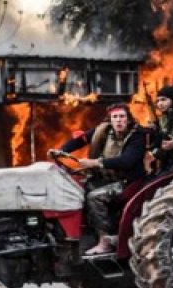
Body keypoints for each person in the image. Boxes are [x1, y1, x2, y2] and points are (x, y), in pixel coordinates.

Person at [49, 103, 147, 255]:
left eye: (122, 117)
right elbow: (81, 140)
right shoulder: (103, 130)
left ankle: (105, 241)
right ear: (110, 119)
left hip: (128, 182)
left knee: (95, 198)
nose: (119, 120)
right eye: (115, 117)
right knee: (78, 189)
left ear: (128, 119)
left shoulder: (137, 135)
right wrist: (61, 150)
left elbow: (127, 161)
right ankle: (79, 236)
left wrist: (96, 162)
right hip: (106, 178)